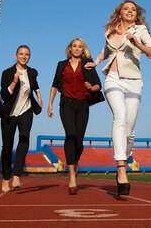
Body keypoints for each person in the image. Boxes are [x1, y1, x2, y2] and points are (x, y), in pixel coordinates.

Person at [85, 0, 151, 196]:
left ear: (137, 14)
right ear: (120, 12)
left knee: (129, 130)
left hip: (134, 81)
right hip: (113, 79)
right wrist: (97, 61)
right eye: (126, 8)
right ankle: (121, 168)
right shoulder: (111, 30)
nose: (130, 11)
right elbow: (108, 50)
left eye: (133, 9)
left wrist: (137, 43)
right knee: (120, 116)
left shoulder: (140, 30)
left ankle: (125, 158)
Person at [47, 38, 102, 195]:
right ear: (70, 49)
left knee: (79, 141)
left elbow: (99, 85)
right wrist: (50, 104)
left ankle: (75, 161)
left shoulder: (88, 64)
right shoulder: (61, 65)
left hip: (83, 105)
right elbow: (54, 85)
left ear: (82, 49)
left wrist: (91, 87)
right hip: (67, 105)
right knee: (70, 135)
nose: (77, 49)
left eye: (80, 46)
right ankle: (72, 176)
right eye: (74, 46)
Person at [0, 45, 43, 192]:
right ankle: (6, 178)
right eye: (21, 54)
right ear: (16, 55)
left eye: (27, 54)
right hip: (10, 114)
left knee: (24, 137)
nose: (24, 56)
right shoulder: (7, 73)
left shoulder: (32, 72)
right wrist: (14, 81)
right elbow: (4, 96)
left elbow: (35, 85)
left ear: (29, 56)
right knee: (7, 147)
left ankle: (17, 175)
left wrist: (39, 97)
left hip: (26, 110)